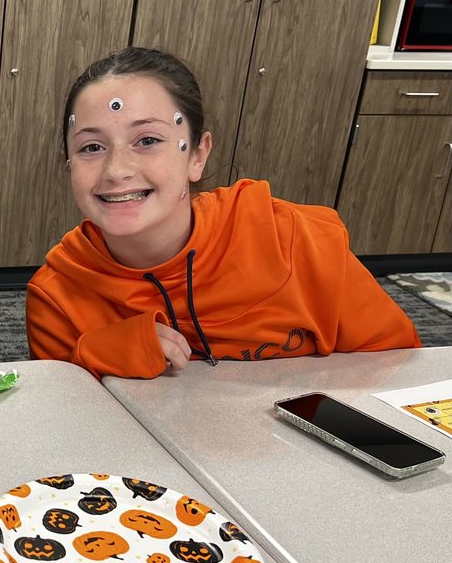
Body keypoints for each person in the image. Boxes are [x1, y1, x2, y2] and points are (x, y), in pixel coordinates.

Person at [26, 47, 420, 379]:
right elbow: (64, 440)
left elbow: (399, 369)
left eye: (148, 140)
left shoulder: (295, 241)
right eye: (92, 148)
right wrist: (88, 361)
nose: (117, 171)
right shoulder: (58, 297)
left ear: (197, 154)